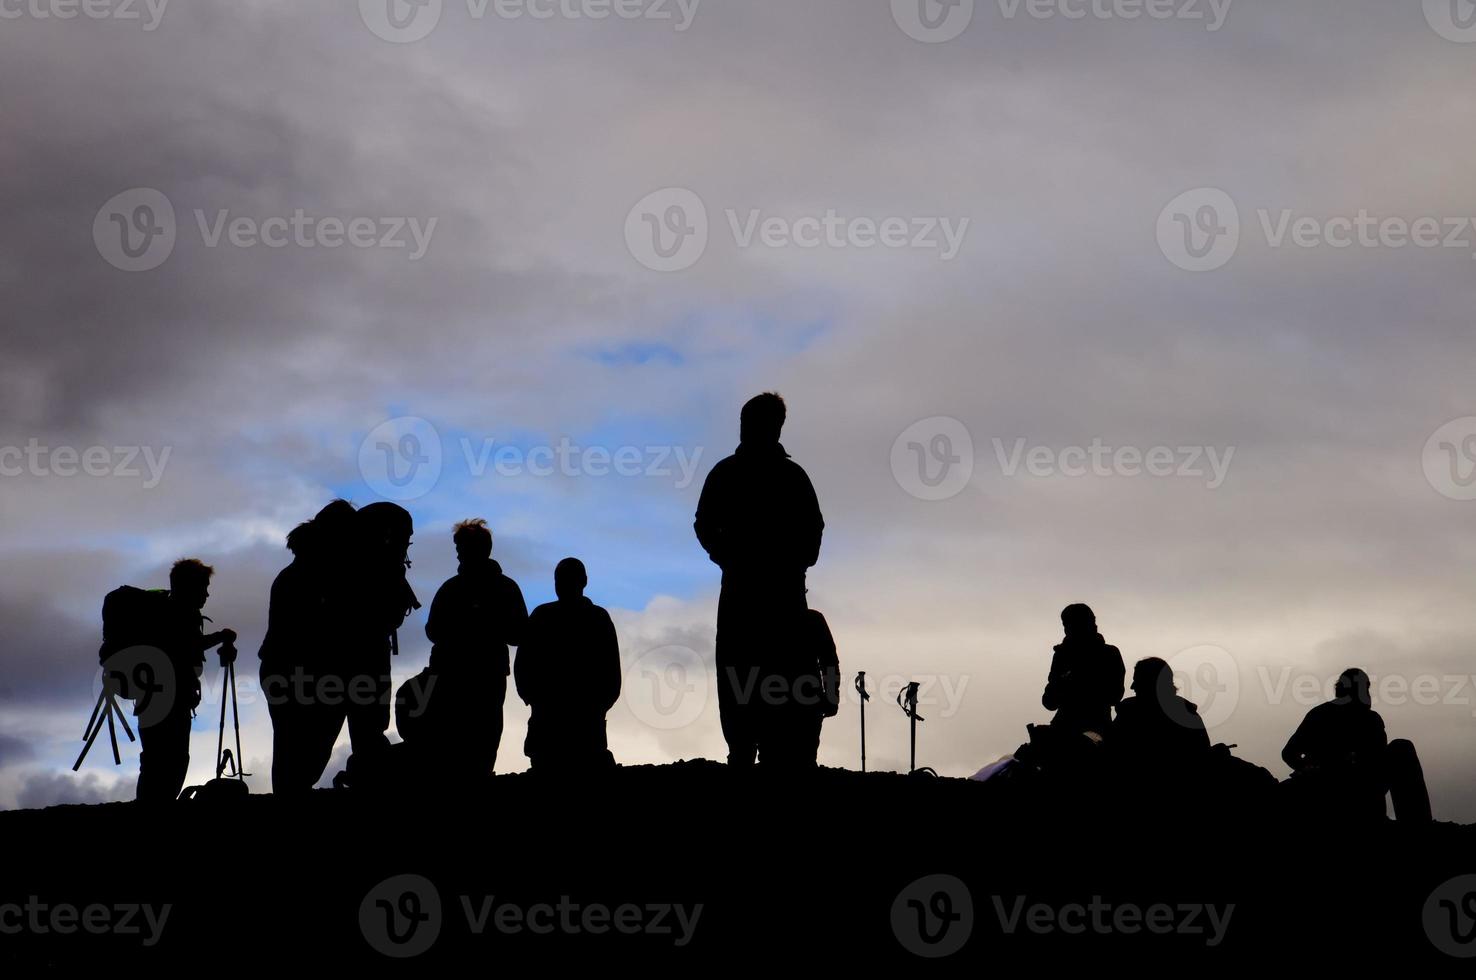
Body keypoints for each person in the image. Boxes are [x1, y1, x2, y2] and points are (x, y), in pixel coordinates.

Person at [694, 393, 825, 766]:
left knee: (765, 681)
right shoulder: (740, 474)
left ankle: (759, 753)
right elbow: (704, 524)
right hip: (752, 595)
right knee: (741, 677)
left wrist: (735, 559)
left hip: (771, 598)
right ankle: (744, 751)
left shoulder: (786, 476)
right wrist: (728, 558)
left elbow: (813, 532)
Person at [116, 559, 236, 803]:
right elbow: (185, 647)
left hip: (153, 698)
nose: (207, 594)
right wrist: (220, 637)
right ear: (189, 587)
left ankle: (154, 805)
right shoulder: (179, 614)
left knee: (157, 758)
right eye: (203, 587)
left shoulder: (166, 613)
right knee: (170, 759)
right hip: (168, 699)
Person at [258, 500, 356, 796]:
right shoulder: (315, 574)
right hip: (297, 672)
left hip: (286, 671)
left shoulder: (302, 571)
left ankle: (291, 794)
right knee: (300, 747)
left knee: (296, 746)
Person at [419, 518, 527, 775]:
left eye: (462, 548)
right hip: (469, 675)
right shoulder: (501, 587)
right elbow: (433, 631)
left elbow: (519, 633)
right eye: (459, 548)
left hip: (475, 675)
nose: (458, 554)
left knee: (477, 738)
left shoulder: (454, 589)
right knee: (474, 738)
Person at [335, 502, 421, 785]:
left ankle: (367, 770)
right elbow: (390, 613)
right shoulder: (379, 566)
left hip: (363, 652)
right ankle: (370, 775)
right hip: (368, 652)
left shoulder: (357, 563)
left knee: (367, 722)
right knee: (369, 722)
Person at [1282, 668, 1431, 822]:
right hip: (1326, 787)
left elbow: (1376, 763)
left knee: (1401, 748)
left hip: (1362, 787)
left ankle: (1415, 822)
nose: (1367, 694)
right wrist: (1309, 768)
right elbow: (1289, 753)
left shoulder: (1371, 720)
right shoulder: (1320, 715)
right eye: (1363, 688)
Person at [514, 558, 621, 773]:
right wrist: (530, 695)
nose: (562, 584)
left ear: (583, 581)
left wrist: (600, 704)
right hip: (552, 720)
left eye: (566, 579)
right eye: (560, 580)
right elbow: (523, 663)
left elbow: (611, 671)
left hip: (581, 719)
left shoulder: (596, 618)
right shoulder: (544, 617)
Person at [1111, 657, 1211, 775]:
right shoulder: (1188, 716)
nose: (1132, 686)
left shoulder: (1128, 715)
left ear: (1150, 684)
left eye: (1138, 680)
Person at [1042, 603, 1125, 737]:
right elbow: (1049, 701)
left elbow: (1114, 695)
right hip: (1064, 728)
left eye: (1070, 624)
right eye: (1066, 625)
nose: (1067, 630)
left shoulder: (1109, 653)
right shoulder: (1062, 655)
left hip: (1096, 729)